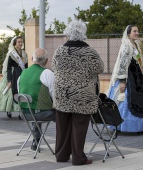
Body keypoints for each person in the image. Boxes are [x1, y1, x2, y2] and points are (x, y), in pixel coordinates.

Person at [51, 20, 104, 166]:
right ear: (83, 34)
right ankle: (78, 158)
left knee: (62, 128)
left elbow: (53, 67)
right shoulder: (90, 52)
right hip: (83, 96)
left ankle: (61, 155)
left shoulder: (59, 51)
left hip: (62, 95)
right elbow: (100, 68)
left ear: (68, 33)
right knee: (79, 128)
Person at [17, 48, 55, 151]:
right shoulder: (47, 74)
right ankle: (64, 145)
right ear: (46, 61)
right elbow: (55, 96)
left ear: (32, 58)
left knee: (34, 107)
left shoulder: (22, 74)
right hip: (41, 114)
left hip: (24, 114)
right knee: (63, 115)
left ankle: (36, 140)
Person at [107, 25, 143, 133]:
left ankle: (138, 126)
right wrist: (122, 81)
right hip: (128, 78)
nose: (137, 33)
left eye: (138, 31)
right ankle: (123, 126)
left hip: (137, 78)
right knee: (125, 101)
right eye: (134, 31)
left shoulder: (135, 44)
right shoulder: (126, 45)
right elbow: (123, 64)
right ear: (128, 33)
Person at [0, 36, 28, 118]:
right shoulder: (11, 54)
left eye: (21, 42)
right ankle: (9, 110)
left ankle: (20, 112)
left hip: (22, 74)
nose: (20, 43)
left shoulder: (24, 54)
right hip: (13, 74)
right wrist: (9, 80)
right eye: (19, 42)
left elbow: (26, 67)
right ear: (15, 43)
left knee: (21, 91)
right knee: (11, 93)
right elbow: (8, 67)